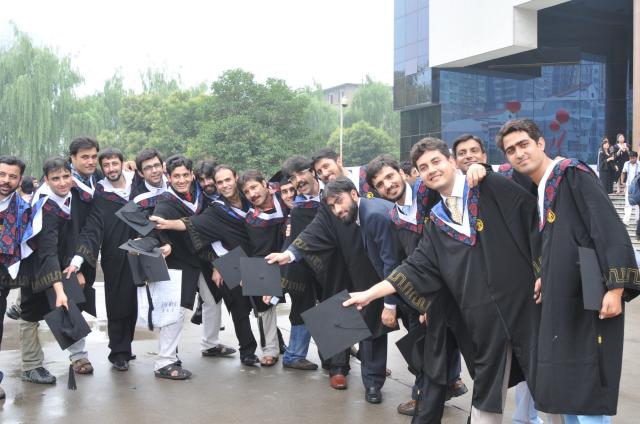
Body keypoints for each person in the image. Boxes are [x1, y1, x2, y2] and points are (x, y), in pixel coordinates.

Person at [344, 137, 543, 422]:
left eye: (436, 161)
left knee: (550, 390)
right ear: (418, 173)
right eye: (424, 167)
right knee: (487, 396)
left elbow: (534, 222)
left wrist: (543, 272)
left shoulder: (488, 186)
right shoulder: (437, 222)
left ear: (451, 161)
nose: (431, 170)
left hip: (525, 306)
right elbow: (414, 267)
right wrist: (370, 294)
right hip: (483, 319)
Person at [498, 118, 639, 423]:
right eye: (511, 150)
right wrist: (543, 275)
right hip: (562, 298)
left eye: (523, 144)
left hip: (589, 297)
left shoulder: (571, 173)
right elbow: (560, 241)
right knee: (569, 388)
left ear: (541, 143)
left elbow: (607, 227)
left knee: (588, 386)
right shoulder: (541, 188)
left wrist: (616, 289)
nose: (519, 153)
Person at [267, 177, 396, 404]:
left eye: (327, 167)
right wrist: (290, 254)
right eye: (321, 169)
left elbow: (390, 255)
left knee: (374, 322)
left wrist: (390, 302)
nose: (325, 172)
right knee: (335, 308)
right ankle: (337, 367)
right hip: (336, 264)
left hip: (370, 267)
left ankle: (374, 380)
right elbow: (313, 232)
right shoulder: (327, 206)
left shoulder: (368, 202)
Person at [367, 153, 470, 420]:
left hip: (461, 285)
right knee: (428, 350)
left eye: (390, 176)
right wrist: (424, 303)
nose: (388, 185)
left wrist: (478, 169)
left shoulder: (430, 194)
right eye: (380, 184)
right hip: (428, 292)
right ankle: (429, 394)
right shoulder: (395, 216)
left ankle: (442, 389)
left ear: (403, 173)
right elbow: (410, 259)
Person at [151, 164, 261, 367]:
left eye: (227, 180)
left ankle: (273, 346)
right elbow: (195, 223)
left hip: (256, 255)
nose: (224, 185)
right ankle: (247, 351)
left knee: (263, 304)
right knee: (238, 307)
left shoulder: (251, 197)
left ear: (236, 178)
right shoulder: (216, 207)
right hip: (226, 258)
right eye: (219, 182)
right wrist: (167, 224)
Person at [149, 155, 233, 379]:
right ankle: (164, 362)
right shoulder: (165, 202)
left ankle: (210, 344)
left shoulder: (200, 196)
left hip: (202, 258)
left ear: (192, 175)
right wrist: (163, 243)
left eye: (185, 175)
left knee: (213, 300)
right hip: (179, 262)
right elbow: (155, 226)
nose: (181, 180)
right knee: (176, 310)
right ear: (168, 177)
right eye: (176, 176)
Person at [64, 148, 139, 370]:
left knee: (135, 302)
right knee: (117, 302)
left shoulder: (137, 185)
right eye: (106, 165)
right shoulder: (100, 194)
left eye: (115, 163)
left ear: (122, 163)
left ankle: (126, 346)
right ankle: (118, 352)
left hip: (141, 252)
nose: (111, 169)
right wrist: (78, 259)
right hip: (114, 255)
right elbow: (92, 228)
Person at [0, 156, 54, 396]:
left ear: (20, 180)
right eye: (2, 174)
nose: (6, 180)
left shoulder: (24, 210)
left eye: (12, 176)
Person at [621, 151, 639, 225]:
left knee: (638, 204)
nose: (631, 159)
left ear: (636, 158)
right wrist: (622, 182)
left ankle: (637, 220)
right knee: (627, 203)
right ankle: (625, 221)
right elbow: (623, 172)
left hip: (638, 187)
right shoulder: (626, 163)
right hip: (629, 186)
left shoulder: (639, 164)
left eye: (633, 158)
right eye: (630, 158)